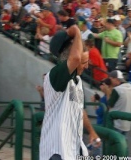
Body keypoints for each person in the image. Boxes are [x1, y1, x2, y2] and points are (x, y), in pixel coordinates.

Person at [39, 25, 100, 160]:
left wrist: (91, 132)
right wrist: (77, 32)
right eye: (84, 62)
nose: (87, 66)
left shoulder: (77, 81)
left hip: (73, 148)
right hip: (56, 151)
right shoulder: (54, 76)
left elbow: (79, 109)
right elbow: (75, 59)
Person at [105, 70, 131, 135]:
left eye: (111, 79)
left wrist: (107, 93)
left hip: (116, 124)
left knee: (113, 144)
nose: (110, 81)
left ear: (116, 79)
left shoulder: (117, 90)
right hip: (127, 123)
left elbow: (109, 105)